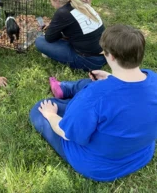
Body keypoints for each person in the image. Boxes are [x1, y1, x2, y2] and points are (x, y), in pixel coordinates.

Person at [30, 24, 157, 182]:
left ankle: (67, 95)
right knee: (92, 87)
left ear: (111, 56)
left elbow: (67, 134)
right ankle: (67, 92)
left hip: (99, 165)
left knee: (39, 108)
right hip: (140, 154)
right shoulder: (153, 78)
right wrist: (110, 78)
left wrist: (50, 115)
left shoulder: (95, 96)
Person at [35, 0, 106, 71]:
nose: (51, 3)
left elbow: (49, 38)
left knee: (40, 41)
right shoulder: (82, 5)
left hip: (90, 61)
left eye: (50, 0)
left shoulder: (62, 12)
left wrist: (53, 29)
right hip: (106, 54)